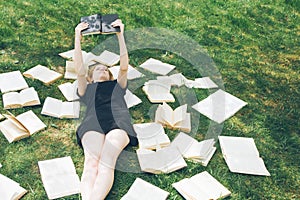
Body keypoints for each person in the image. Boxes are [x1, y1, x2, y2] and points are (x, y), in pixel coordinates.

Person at [74, 19, 138, 200]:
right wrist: (77, 36)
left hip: (118, 122)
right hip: (92, 123)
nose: (102, 69)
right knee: (91, 163)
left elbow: (124, 67)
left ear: (110, 75)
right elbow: (79, 69)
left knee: (106, 162)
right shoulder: (86, 88)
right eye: (97, 69)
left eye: (105, 69)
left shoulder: (117, 85)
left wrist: (120, 35)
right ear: (90, 77)